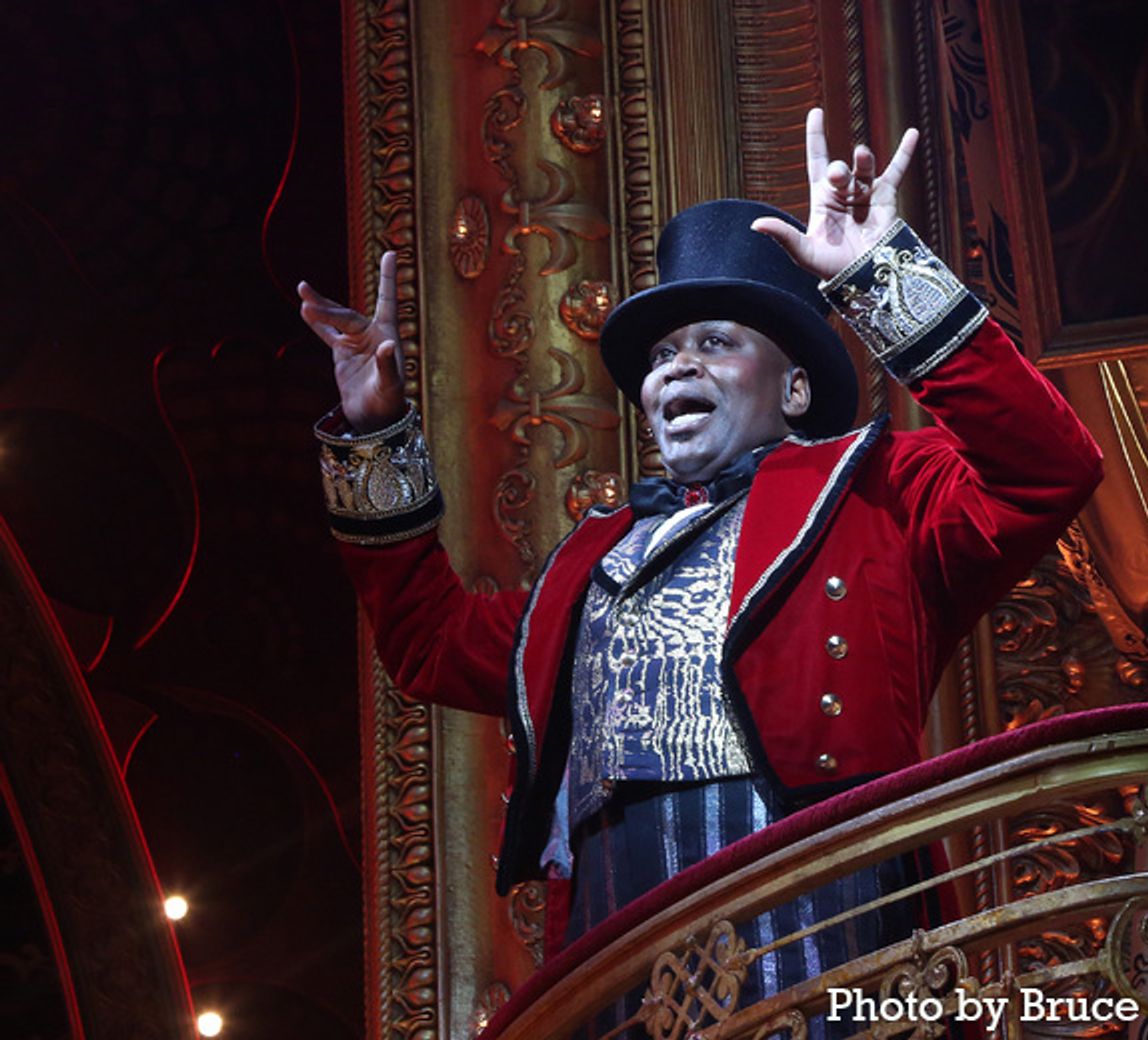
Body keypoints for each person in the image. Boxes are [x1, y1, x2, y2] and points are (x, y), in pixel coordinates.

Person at [300, 108, 1102, 1017]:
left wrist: (883, 280)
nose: (676, 367)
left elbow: (1050, 468)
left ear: (795, 387)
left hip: (817, 910)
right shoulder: (589, 566)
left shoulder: (876, 493)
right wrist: (375, 433)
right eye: (661, 355)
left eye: (714, 342)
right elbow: (429, 642)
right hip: (616, 935)